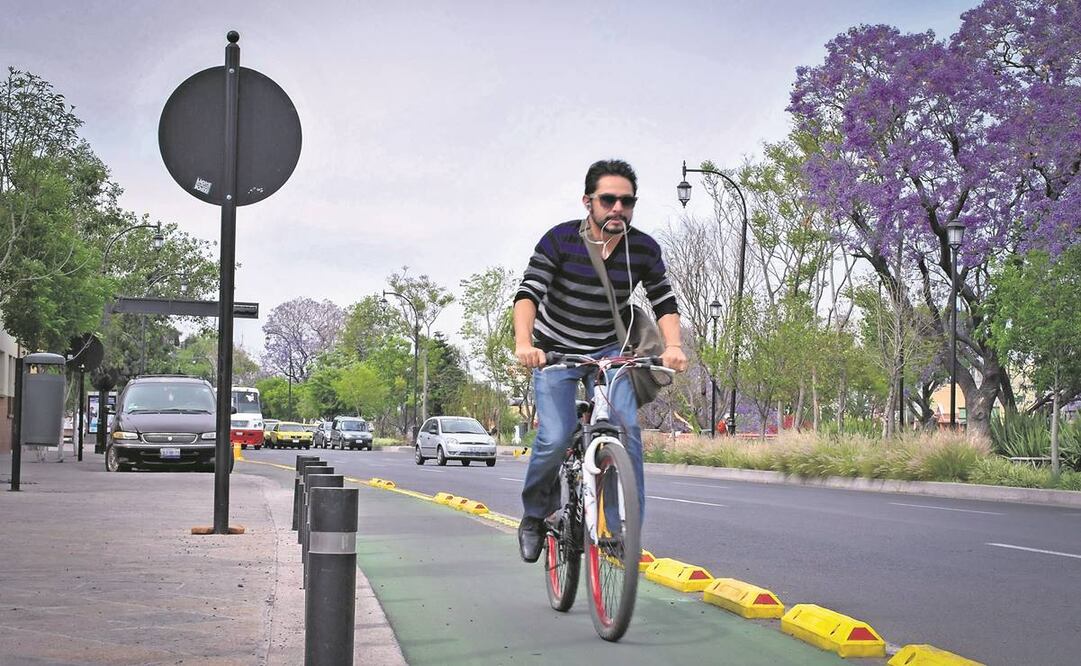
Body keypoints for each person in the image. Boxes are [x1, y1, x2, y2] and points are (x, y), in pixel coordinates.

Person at [512, 159, 687, 563]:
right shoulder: (559, 240)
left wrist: (674, 345)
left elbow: (664, 300)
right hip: (556, 350)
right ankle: (535, 515)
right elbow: (528, 294)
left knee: (625, 429)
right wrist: (526, 343)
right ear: (588, 201)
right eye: (608, 200)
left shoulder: (642, 248)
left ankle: (619, 527)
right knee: (556, 436)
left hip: (610, 353)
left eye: (627, 202)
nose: (617, 209)